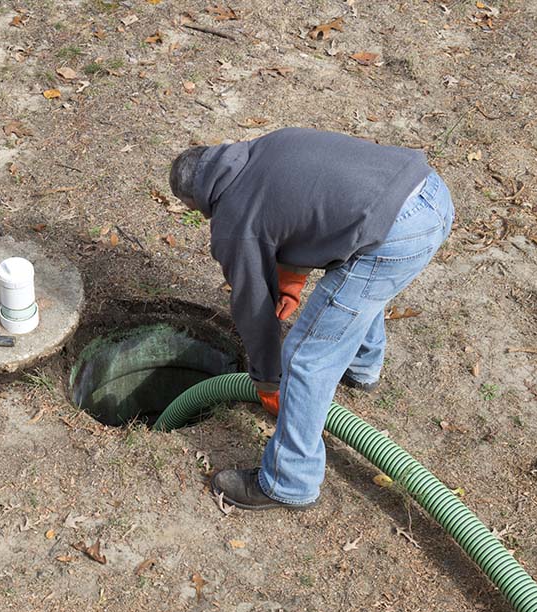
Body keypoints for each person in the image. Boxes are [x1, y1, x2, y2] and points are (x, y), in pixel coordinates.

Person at [168, 128, 454, 510]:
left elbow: (252, 307)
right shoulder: (267, 146)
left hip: (396, 233)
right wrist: (290, 282)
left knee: (306, 359)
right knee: (360, 291)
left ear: (194, 201)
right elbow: (308, 206)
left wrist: (269, 379)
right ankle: (361, 368)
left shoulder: (232, 219)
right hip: (429, 192)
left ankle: (290, 482)